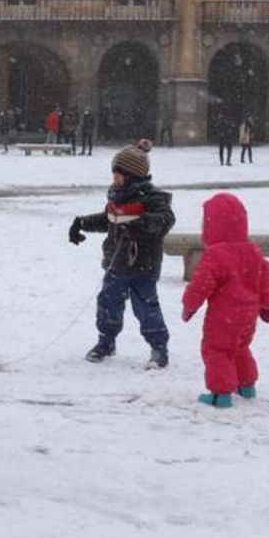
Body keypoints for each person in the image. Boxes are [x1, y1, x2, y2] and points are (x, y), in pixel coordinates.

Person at [70, 144, 175, 370]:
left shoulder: (153, 198)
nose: (115, 179)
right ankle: (106, 342)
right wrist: (81, 223)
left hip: (142, 266)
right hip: (116, 264)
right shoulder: (117, 197)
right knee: (108, 303)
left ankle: (158, 348)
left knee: (146, 308)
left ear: (132, 176)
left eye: (119, 175)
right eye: (114, 175)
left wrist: (142, 224)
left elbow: (165, 219)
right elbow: (107, 219)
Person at [182, 193, 269, 408]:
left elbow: (200, 285)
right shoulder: (253, 251)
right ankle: (247, 385)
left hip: (224, 315)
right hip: (248, 314)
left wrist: (189, 306)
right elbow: (265, 280)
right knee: (240, 347)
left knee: (217, 350)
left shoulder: (216, 254)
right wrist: (267, 305)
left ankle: (220, 393)